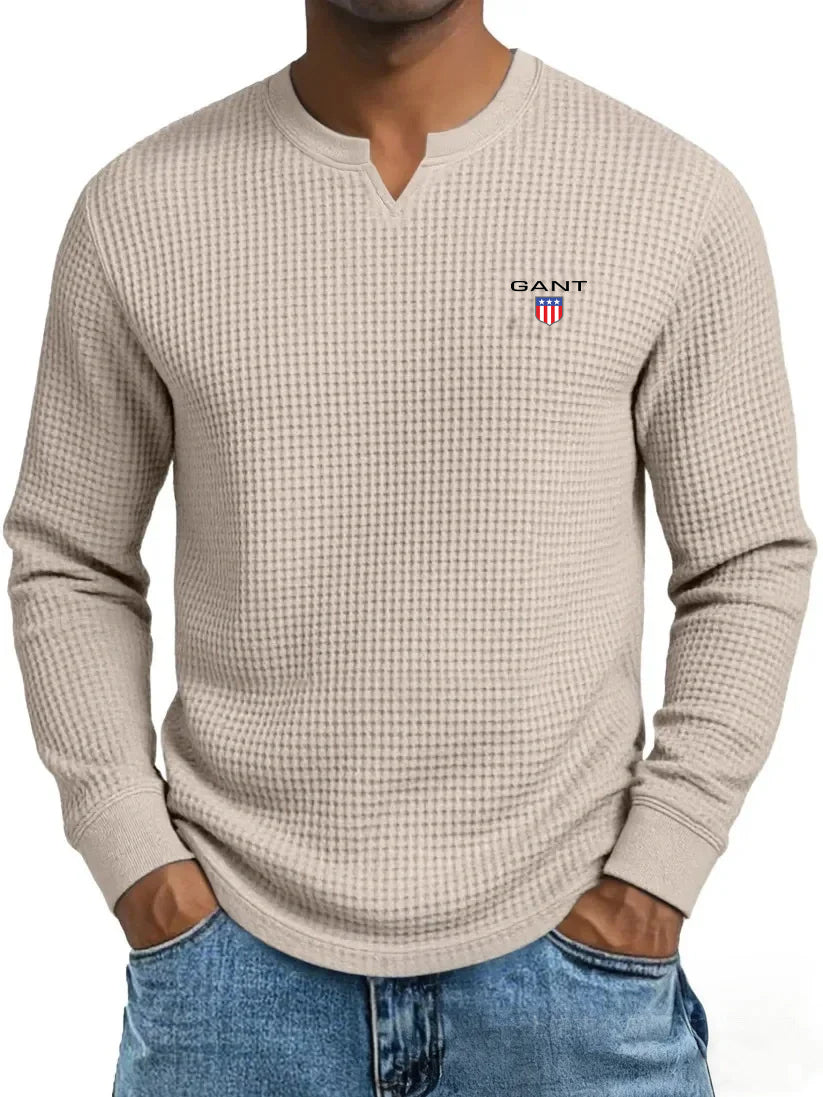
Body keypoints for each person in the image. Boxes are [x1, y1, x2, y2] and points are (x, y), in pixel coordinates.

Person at [4, 1, 815, 1094]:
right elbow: (70, 555)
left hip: (572, 976)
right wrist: (135, 859)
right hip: (230, 975)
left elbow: (746, 557)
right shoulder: (143, 209)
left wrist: (658, 868)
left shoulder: (669, 197)